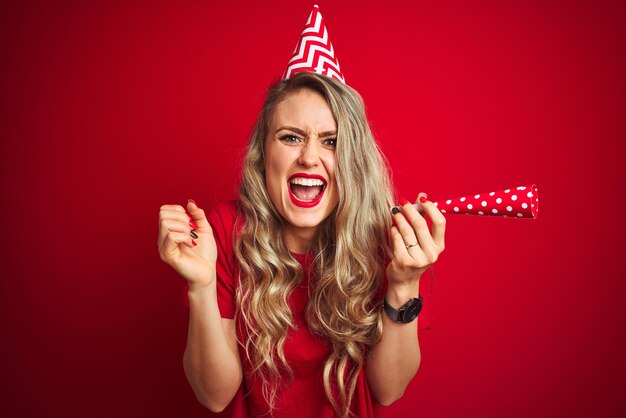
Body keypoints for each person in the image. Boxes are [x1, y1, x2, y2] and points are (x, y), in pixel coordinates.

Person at [157, 6, 446, 418]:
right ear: (263, 154)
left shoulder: (385, 239)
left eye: (330, 142)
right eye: (291, 137)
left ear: (352, 159)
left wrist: (405, 283)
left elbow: (390, 390)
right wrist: (201, 286)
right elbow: (214, 395)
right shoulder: (223, 229)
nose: (310, 158)